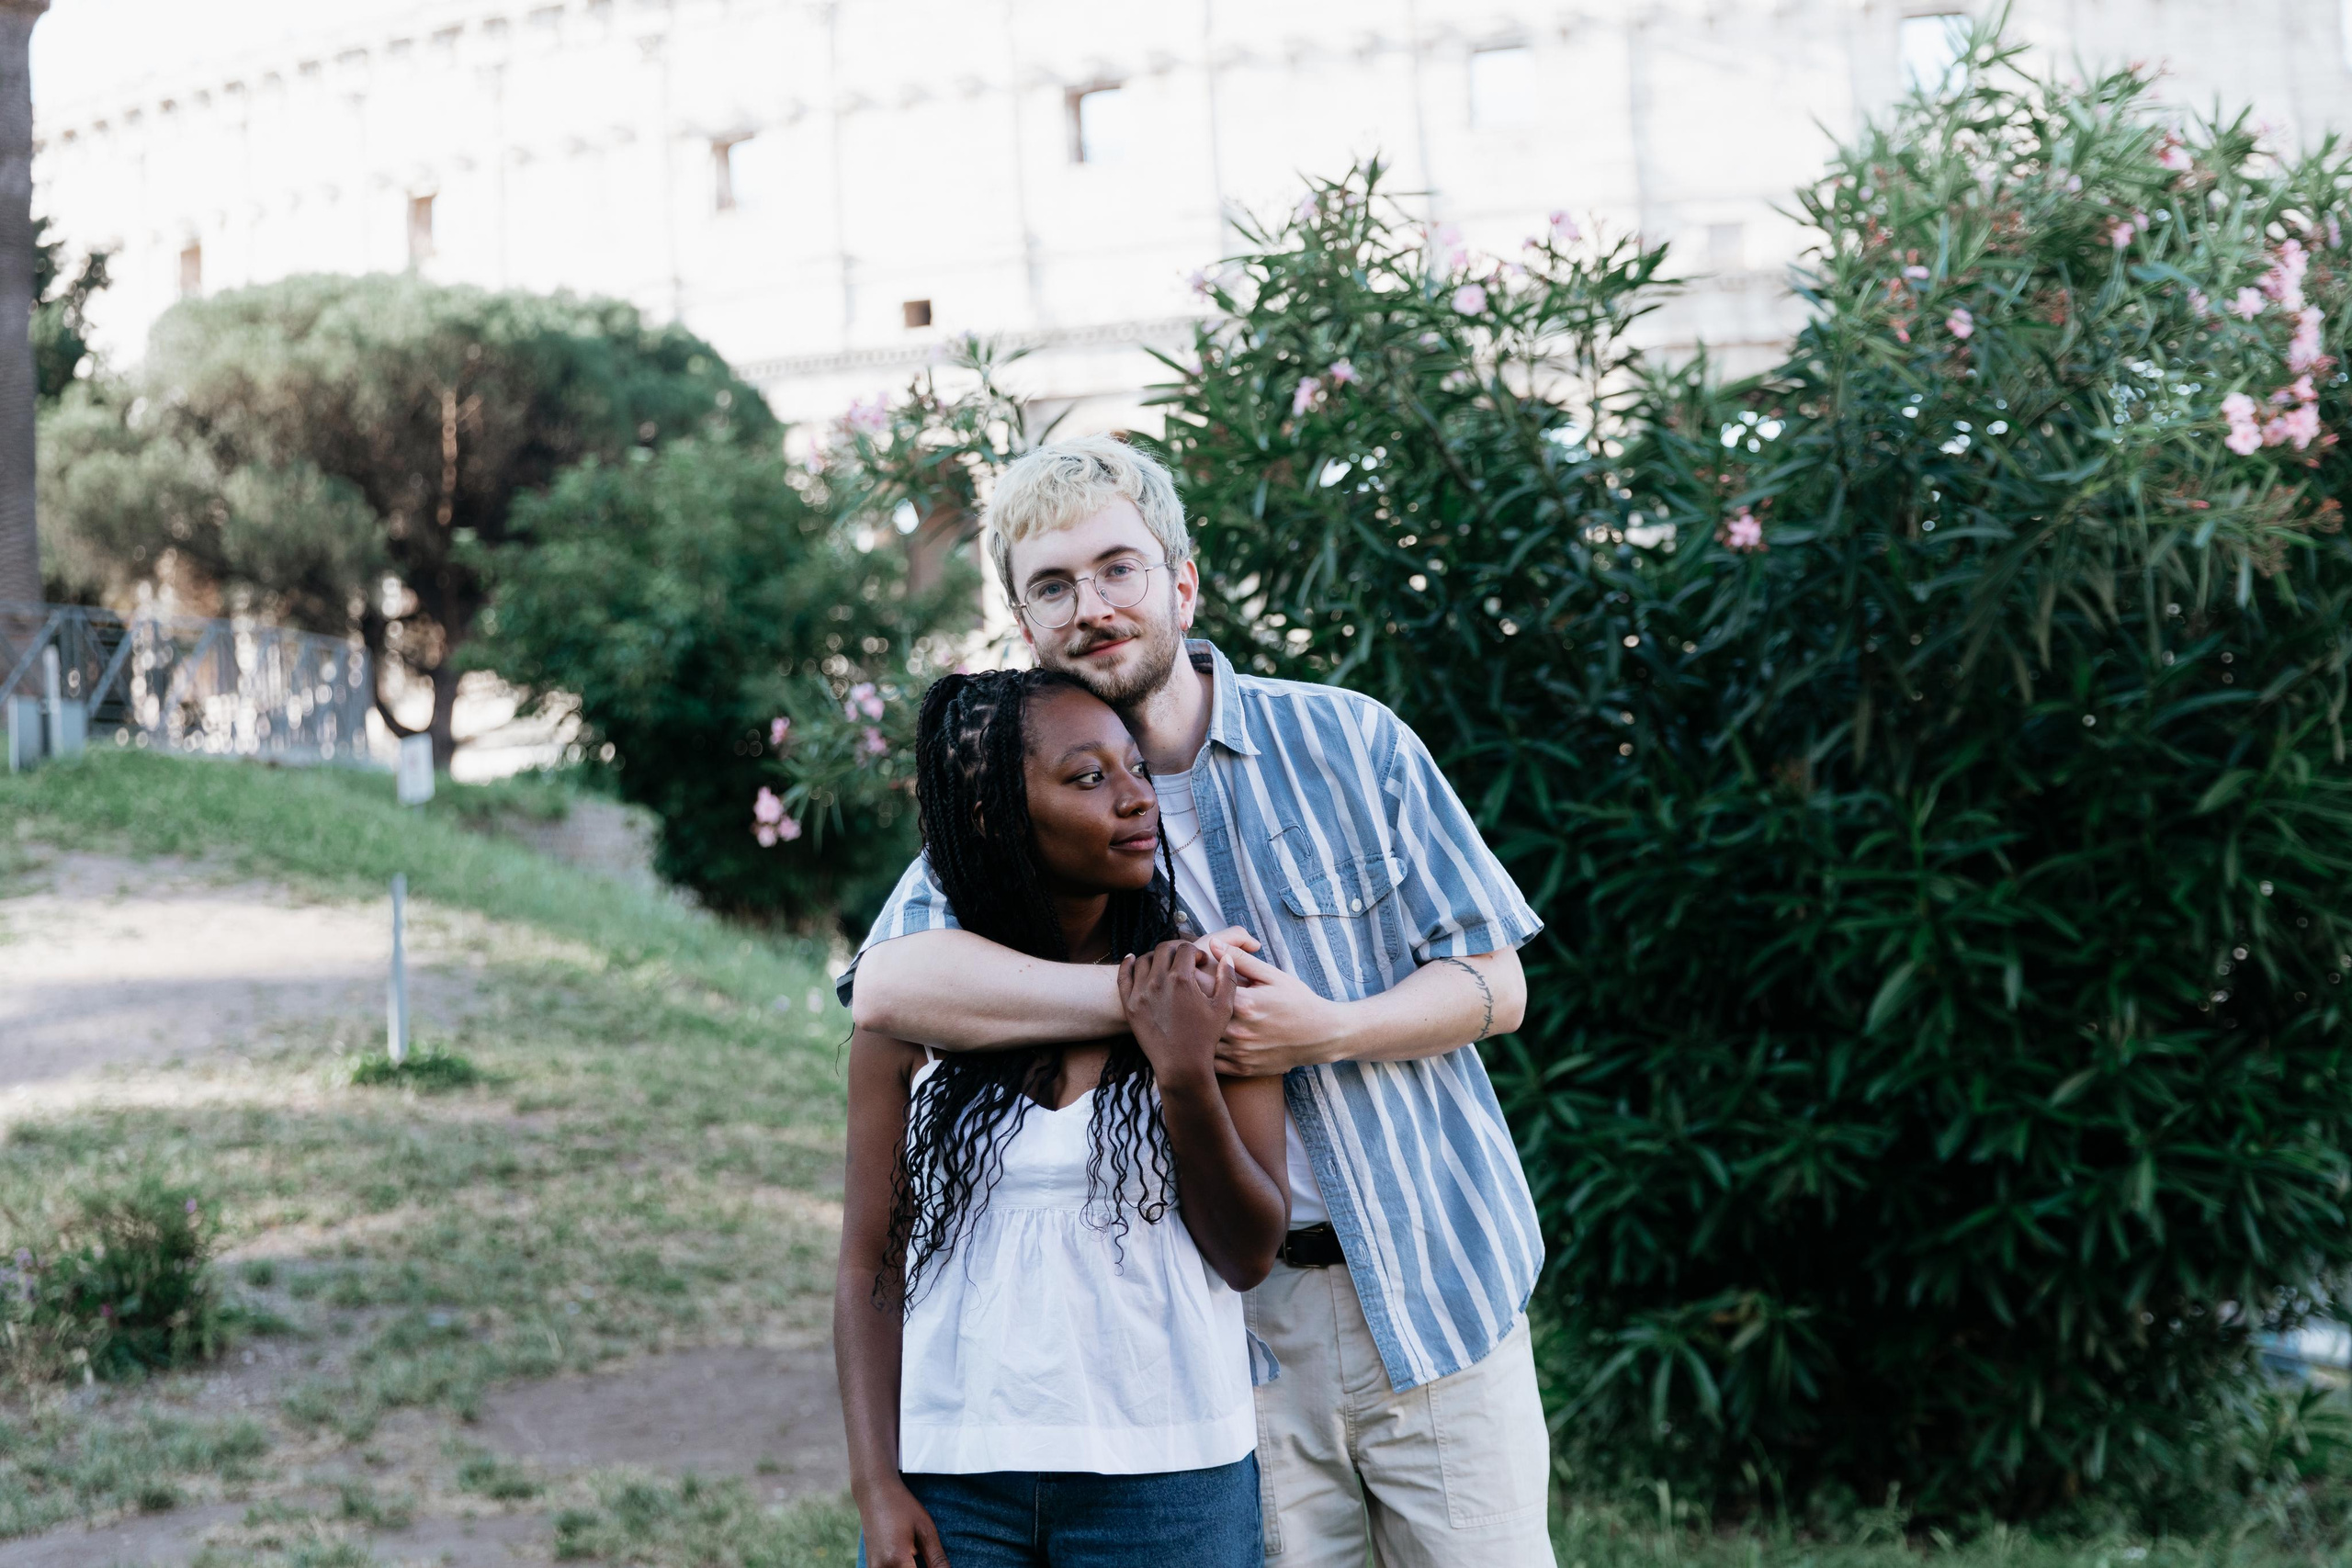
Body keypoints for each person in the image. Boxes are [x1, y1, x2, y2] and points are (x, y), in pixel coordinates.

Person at [841, 436, 1555, 1567]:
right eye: (1052, 586)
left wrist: (1329, 1029)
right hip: (1226, 1333)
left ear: (1181, 582)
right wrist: (1153, 1005)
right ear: (1025, 624)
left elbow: (1496, 983)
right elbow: (889, 983)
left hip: (1431, 1284)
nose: (1092, 606)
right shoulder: (1036, 803)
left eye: (1117, 568)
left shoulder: (1350, 740)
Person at [835, 666, 1292, 1568]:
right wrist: (877, 1485)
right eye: (1089, 777)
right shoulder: (917, 1013)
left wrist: (1183, 1074)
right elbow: (867, 1264)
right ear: (995, 817)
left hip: (1172, 1481)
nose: (1137, 798)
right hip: (954, 1478)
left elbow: (1247, 1255)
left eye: (1135, 768)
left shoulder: (1208, 989)